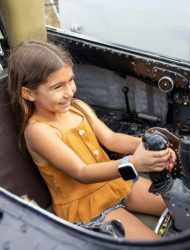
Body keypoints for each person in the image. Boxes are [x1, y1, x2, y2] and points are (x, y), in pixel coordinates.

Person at [7, 41, 176, 240]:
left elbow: (111, 139)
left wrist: (148, 145)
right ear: (28, 93)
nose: (69, 91)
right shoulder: (38, 131)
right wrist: (134, 163)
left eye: (70, 80)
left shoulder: (78, 107)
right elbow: (82, 172)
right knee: (158, 244)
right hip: (87, 206)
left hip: (116, 183)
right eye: (57, 87)